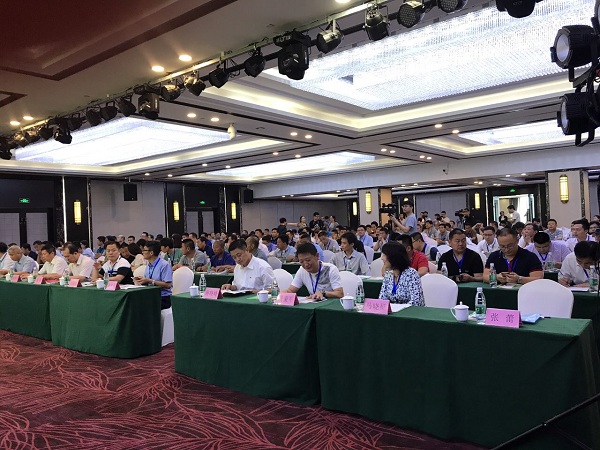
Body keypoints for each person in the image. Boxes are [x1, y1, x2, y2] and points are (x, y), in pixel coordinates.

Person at [134, 240, 173, 309]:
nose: (142, 252)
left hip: (163, 297)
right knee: (134, 302)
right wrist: (142, 280)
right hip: (151, 295)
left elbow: (168, 285)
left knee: (142, 306)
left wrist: (150, 281)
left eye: (144, 250)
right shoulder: (148, 264)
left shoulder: (164, 265)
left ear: (151, 252)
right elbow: (148, 281)